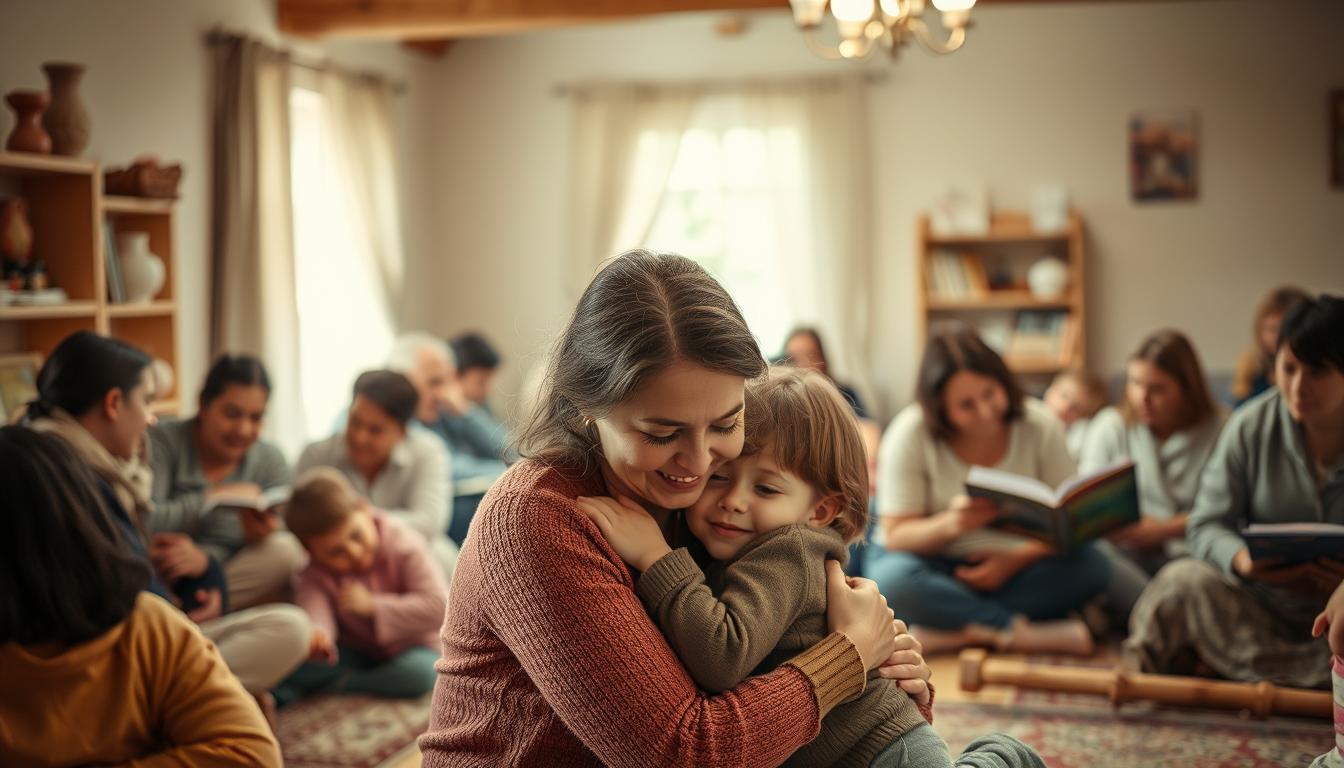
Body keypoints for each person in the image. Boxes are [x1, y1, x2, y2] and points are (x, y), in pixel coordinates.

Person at [420, 250, 934, 767]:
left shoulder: (707, 510)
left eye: (726, 424)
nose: (700, 462)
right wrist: (845, 660)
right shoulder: (536, 521)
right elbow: (686, 754)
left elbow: (766, 669)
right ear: (586, 408)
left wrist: (889, 673)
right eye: (663, 434)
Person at [578, 367, 1044, 768]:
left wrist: (656, 558)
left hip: (881, 749)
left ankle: (1003, 756)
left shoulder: (789, 551)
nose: (733, 502)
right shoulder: (729, 549)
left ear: (820, 511)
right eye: (720, 478)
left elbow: (722, 656)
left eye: (766, 490)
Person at [24, 331, 310, 706]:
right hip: (119, 650)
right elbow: (127, 573)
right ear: (113, 403)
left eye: (255, 417)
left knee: (286, 580)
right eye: (145, 401)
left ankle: (213, 689)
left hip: (162, 609)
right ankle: (196, 694)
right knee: (285, 638)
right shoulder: (73, 473)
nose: (151, 418)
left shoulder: (97, 465)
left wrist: (209, 570)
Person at [0, 425, 282, 767]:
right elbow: (253, 756)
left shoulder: (147, 629)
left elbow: (250, 754)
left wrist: (204, 564)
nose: (148, 419)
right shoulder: (149, 626)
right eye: (145, 401)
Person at [1125, 295, 1344, 689]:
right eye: (1289, 368)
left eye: (1318, 372)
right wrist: (1243, 560)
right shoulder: (1250, 426)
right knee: (1181, 581)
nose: (1298, 386)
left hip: (1338, 619)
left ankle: (1253, 673)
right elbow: (1206, 524)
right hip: (1261, 606)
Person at [865, 329, 1109, 655]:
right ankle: (1015, 630)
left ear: (1003, 382)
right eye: (966, 405)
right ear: (940, 409)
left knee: (1094, 565)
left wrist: (1013, 561)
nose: (984, 412)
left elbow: (1071, 520)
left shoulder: (1040, 424)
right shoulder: (909, 434)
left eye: (990, 393)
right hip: (938, 564)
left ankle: (954, 629)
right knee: (891, 579)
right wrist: (952, 524)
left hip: (1022, 565)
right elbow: (895, 535)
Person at [1079, 330, 1226, 626]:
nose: (1142, 399)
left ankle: (1154, 618)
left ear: (1187, 389)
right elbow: (1084, 501)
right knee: (1091, 557)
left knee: (1200, 575)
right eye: (1134, 383)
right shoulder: (1110, 425)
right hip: (1124, 553)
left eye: (1157, 389)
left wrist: (1162, 530)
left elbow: (1227, 509)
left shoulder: (1224, 429)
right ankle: (1169, 620)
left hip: (1189, 553)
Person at [272, 468, 447, 706]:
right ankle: (308, 686)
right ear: (310, 551)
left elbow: (440, 606)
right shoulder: (312, 572)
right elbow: (316, 613)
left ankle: (339, 685)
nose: (353, 552)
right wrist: (319, 638)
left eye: (356, 536)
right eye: (336, 551)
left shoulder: (405, 544)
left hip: (417, 645)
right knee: (293, 664)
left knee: (421, 675)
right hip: (359, 651)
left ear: (364, 509)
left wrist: (374, 606)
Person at [149, 354, 305, 610]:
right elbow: (146, 522)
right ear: (203, 404)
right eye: (232, 414)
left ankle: (210, 607)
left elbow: (292, 540)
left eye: (256, 418)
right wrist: (212, 497)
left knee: (285, 550)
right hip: (160, 573)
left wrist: (208, 563)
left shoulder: (270, 460)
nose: (243, 430)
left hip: (228, 574)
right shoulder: (162, 441)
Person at [297, 369, 457, 578]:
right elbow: (300, 520)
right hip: (333, 553)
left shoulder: (429, 452)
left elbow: (428, 522)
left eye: (375, 430)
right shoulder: (316, 454)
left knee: (440, 553)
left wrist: (363, 522)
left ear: (402, 432)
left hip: (401, 548)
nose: (359, 437)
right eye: (354, 421)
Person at [387, 332, 506, 546]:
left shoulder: (446, 412)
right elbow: (447, 469)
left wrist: (466, 413)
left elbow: (514, 450)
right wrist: (515, 473)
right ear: (401, 383)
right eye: (434, 383)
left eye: (447, 382)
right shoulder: (395, 425)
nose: (444, 393)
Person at [1232, 285, 1310, 406]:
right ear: (1259, 330)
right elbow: (1240, 406)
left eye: (1287, 328)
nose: (1279, 337)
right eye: (1272, 329)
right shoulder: (1251, 366)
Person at [783, 326, 869, 419]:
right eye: (793, 360)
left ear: (823, 359)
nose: (803, 366)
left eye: (810, 356)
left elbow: (869, 430)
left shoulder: (845, 393)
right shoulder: (785, 404)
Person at [1042, 368, 1109, 459]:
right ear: (1050, 390)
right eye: (1064, 395)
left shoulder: (1075, 440)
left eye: (1075, 408)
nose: (1064, 407)